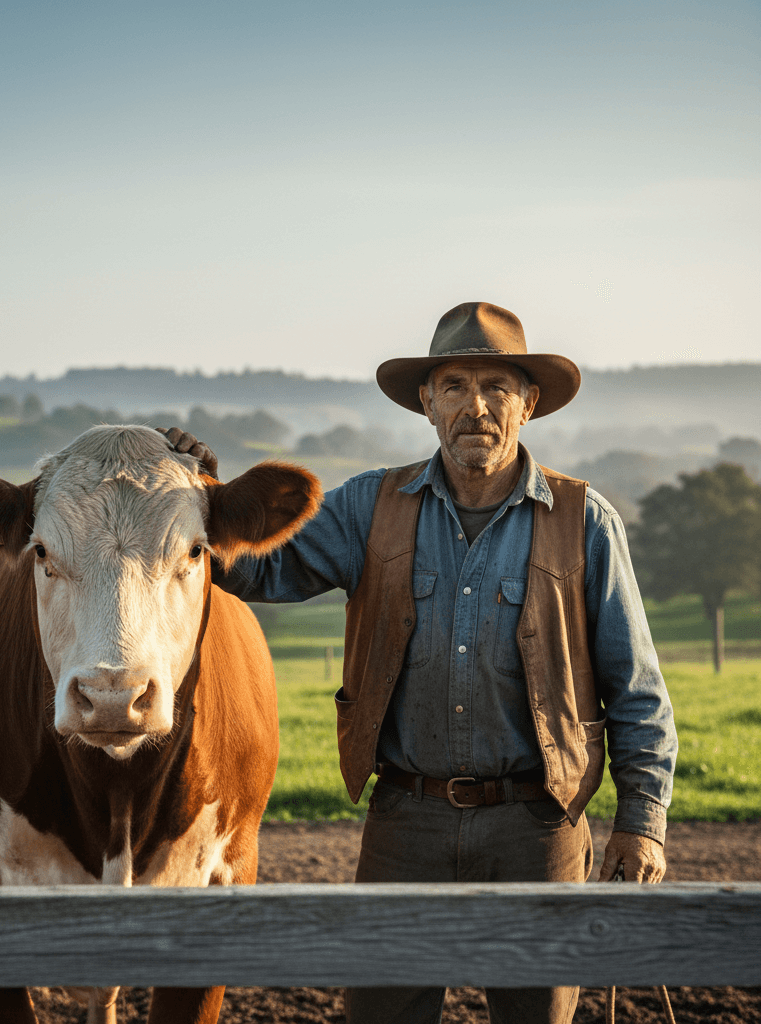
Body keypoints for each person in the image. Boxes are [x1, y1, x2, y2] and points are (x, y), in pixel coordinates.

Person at [162, 300, 677, 1024]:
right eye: (456, 387)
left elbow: (637, 690)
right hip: (408, 819)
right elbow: (257, 571)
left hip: (538, 826)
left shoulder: (584, 520)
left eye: (497, 387)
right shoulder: (368, 507)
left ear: (528, 405)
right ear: (427, 404)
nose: (477, 407)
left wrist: (641, 822)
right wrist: (196, 499)